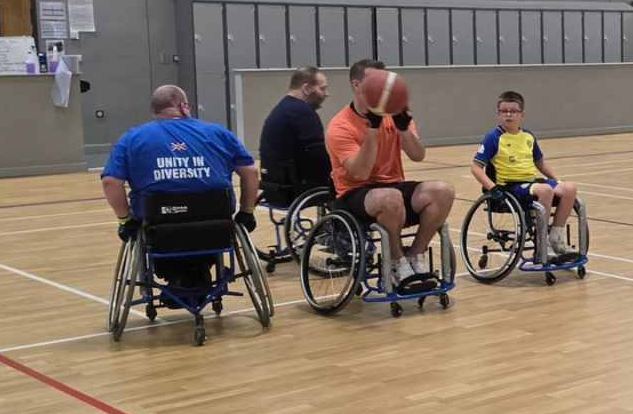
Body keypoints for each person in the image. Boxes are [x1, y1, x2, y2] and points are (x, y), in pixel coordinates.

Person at [101, 85, 260, 293]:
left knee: (153, 226)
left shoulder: (132, 138)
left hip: (160, 229)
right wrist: (247, 212)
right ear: (183, 106)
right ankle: (199, 274)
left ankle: (176, 278)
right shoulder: (218, 132)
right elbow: (251, 172)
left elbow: (110, 182)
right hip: (214, 227)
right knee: (209, 225)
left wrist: (125, 220)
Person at [324, 58, 455, 286]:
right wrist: (373, 128)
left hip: (392, 187)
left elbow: (418, 155)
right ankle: (396, 260)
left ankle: (415, 254)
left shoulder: (394, 114)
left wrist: (403, 129)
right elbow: (360, 173)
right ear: (357, 85)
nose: (384, 86)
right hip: (353, 193)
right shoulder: (340, 126)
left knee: (443, 191)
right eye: (376, 81)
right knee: (390, 197)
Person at [470, 90, 580, 259]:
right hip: (510, 186)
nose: (508, 115)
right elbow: (476, 168)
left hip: (530, 182)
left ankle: (554, 238)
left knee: (570, 188)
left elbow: (540, 162)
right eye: (504, 111)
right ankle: (541, 243)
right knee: (545, 190)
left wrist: (557, 180)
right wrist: (492, 188)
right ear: (498, 114)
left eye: (513, 111)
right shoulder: (493, 137)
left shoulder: (528, 136)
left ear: (522, 115)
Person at [258, 66, 332, 196]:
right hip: (298, 186)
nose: (326, 94)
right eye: (322, 88)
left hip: (274, 184)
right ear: (307, 89)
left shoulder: (282, 109)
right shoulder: (304, 113)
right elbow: (319, 156)